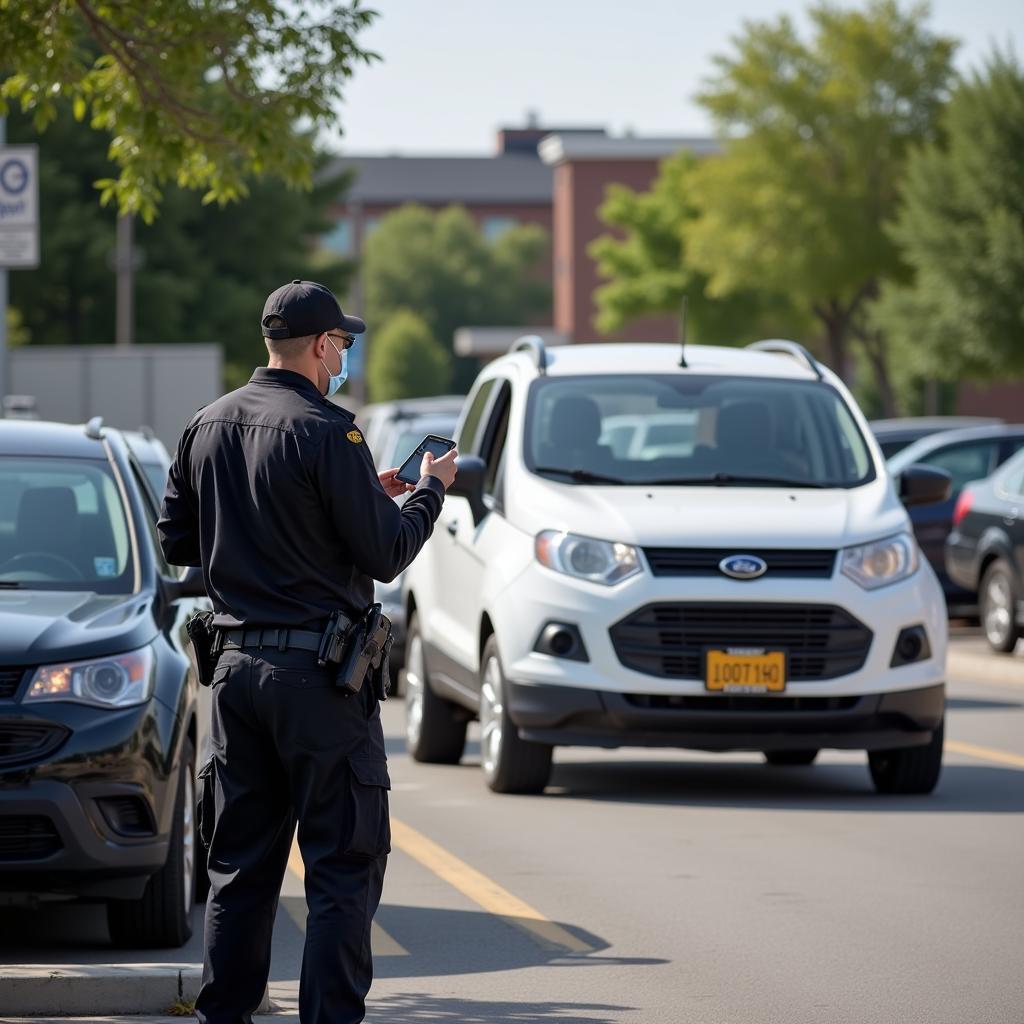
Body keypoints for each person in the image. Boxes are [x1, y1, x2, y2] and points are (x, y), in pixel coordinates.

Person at [157, 279, 458, 1024]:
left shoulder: (206, 423)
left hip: (234, 677)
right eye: (343, 345)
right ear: (322, 346)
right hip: (320, 682)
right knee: (341, 872)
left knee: (239, 873)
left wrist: (340, 500)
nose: (343, 357)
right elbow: (386, 553)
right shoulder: (331, 432)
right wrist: (427, 493)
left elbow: (177, 544)